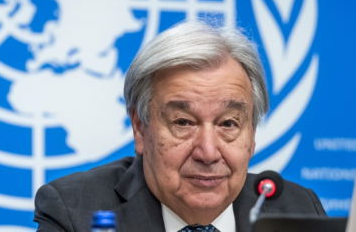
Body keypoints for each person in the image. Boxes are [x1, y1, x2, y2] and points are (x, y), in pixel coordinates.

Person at [34, 20, 325, 232]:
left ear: (252, 135)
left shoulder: (299, 210)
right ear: (140, 128)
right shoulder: (76, 211)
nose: (208, 153)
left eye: (228, 123)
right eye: (183, 122)